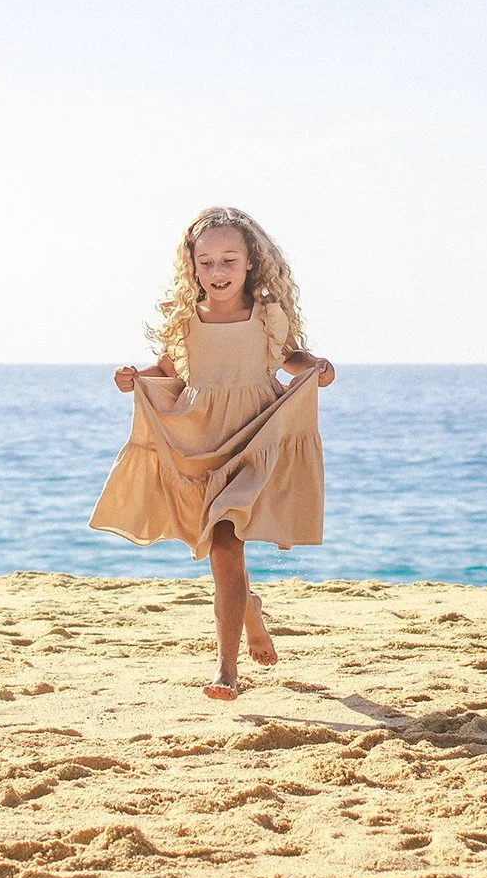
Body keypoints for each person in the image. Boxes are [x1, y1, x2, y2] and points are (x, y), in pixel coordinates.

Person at [90, 207, 334, 700]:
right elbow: (170, 370)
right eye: (206, 263)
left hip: (253, 437)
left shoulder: (267, 314)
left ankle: (226, 671)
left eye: (228, 260)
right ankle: (250, 611)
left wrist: (317, 366)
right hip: (201, 441)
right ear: (192, 267)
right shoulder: (186, 321)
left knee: (226, 541)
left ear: (250, 263)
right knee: (222, 546)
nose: (217, 272)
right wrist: (134, 377)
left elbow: (289, 357)